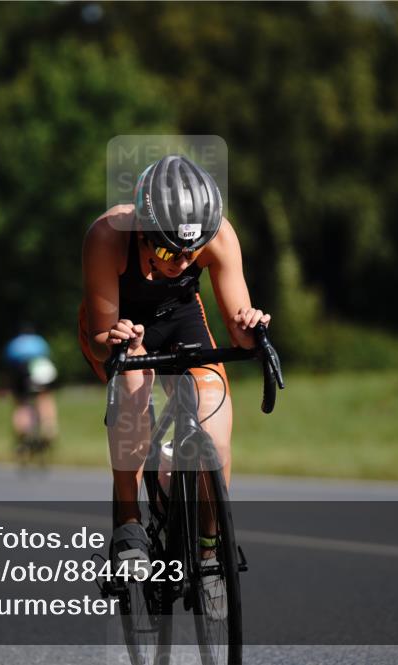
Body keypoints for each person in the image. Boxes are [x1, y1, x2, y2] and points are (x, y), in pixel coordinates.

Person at [78, 154, 271, 618]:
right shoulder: (107, 236)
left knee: (213, 414)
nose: (181, 261)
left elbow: (236, 327)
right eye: (168, 251)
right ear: (143, 230)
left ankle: (208, 552)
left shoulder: (218, 235)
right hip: (116, 329)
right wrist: (124, 346)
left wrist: (250, 325)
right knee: (133, 385)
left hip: (181, 319)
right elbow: (104, 339)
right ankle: (128, 523)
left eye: (191, 252)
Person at [4, 326, 59, 457]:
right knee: (44, 397)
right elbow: (47, 357)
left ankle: (23, 432)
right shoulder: (39, 341)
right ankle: (49, 427)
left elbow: (8, 366)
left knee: (21, 403)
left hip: (20, 371)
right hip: (39, 368)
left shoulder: (14, 344)